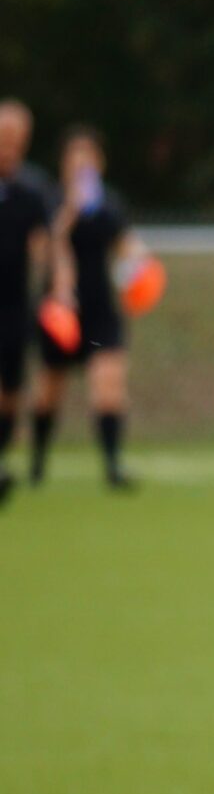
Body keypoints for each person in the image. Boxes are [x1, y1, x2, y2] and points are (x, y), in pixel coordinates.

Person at [32, 125, 140, 490]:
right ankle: (37, 462)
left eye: (89, 156)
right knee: (49, 392)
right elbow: (44, 252)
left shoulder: (109, 204)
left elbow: (126, 249)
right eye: (74, 156)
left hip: (99, 310)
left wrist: (141, 273)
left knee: (108, 386)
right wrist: (69, 215)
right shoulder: (50, 202)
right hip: (62, 311)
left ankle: (112, 465)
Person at [0, 100, 55, 504]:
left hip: (15, 305)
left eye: (17, 138)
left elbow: (42, 248)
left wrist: (54, 290)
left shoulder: (32, 190)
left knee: (11, 392)